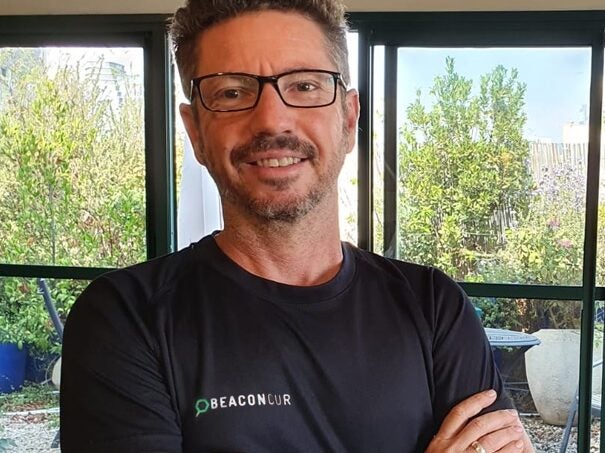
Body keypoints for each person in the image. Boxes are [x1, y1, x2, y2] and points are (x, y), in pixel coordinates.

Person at [60, 0, 534, 451]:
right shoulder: (126, 320)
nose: (272, 119)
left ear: (348, 119)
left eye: (305, 86)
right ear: (196, 132)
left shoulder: (434, 308)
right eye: (232, 92)